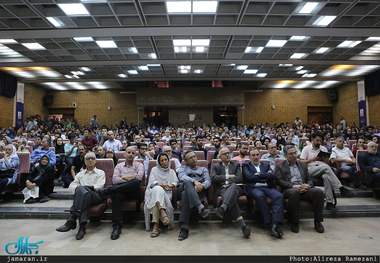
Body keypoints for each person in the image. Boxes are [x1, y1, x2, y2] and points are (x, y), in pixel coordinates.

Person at [300, 132, 355, 212]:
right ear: (312, 139)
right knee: (326, 167)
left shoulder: (324, 149)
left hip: (323, 170)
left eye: (320, 141)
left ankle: (329, 203)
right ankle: (341, 188)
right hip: (310, 170)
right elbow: (301, 162)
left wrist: (326, 161)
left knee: (327, 177)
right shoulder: (306, 149)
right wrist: (312, 159)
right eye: (317, 140)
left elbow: (327, 163)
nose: (319, 142)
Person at [275, 145, 325, 233]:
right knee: (295, 192)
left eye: (295, 153)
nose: (294, 156)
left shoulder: (302, 165)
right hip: (289, 189)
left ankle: (318, 221)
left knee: (318, 192)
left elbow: (309, 179)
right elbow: (279, 181)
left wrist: (308, 186)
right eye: (291, 154)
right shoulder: (280, 165)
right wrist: (294, 186)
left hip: (304, 188)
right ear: (285, 155)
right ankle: (294, 221)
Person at [97, 147, 143, 240]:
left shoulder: (139, 165)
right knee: (117, 194)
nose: (130, 154)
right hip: (121, 191)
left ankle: (108, 190)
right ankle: (116, 226)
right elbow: (115, 180)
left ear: (135, 155)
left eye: (133, 153)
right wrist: (131, 177)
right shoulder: (119, 166)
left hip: (134, 192)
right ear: (124, 154)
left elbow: (138, 177)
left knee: (135, 182)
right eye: (128, 152)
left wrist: (124, 178)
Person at [56, 152, 105, 240]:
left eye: (92, 158)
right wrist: (81, 189)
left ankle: (72, 219)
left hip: (96, 196)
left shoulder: (100, 172)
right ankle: (82, 227)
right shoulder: (80, 174)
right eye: (88, 159)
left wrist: (83, 188)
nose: (90, 160)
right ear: (85, 161)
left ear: (95, 161)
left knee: (81, 190)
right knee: (84, 195)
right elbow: (71, 186)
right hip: (86, 197)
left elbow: (99, 186)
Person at [242, 148, 284, 238]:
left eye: (257, 155)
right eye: (253, 155)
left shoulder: (266, 165)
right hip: (254, 188)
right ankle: (270, 224)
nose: (256, 157)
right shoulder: (246, 165)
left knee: (279, 196)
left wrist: (258, 174)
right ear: (249, 157)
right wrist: (265, 175)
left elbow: (273, 175)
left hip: (267, 187)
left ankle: (274, 224)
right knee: (260, 196)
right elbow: (248, 177)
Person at [212, 147, 251, 238]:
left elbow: (238, 178)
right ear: (219, 157)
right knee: (231, 198)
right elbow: (214, 178)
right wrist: (229, 176)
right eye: (224, 154)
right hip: (222, 189)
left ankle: (223, 208)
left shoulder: (236, 164)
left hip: (235, 188)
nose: (227, 155)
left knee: (233, 186)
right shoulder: (216, 166)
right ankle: (243, 226)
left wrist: (225, 181)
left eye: (228, 153)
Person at [177, 150, 211, 241]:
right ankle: (201, 207)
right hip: (183, 188)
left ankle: (184, 228)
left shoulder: (203, 169)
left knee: (185, 195)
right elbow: (182, 177)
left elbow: (208, 181)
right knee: (187, 182)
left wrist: (202, 186)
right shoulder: (182, 168)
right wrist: (195, 182)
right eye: (190, 158)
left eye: (194, 157)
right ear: (186, 161)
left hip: (198, 191)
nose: (193, 159)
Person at [144, 152, 178, 237]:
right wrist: (161, 185)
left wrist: (168, 185)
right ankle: (163, 214)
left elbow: (175, 183)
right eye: (162, 160)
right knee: (157, 189)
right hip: (153, 191)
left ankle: (156, 226)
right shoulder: (154, 170)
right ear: (158, 162)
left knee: (156, 199)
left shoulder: (172, 171)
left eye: (166, 160)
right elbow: (152, 182)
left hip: (167, 192)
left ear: (168, 160)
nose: (164, 162)